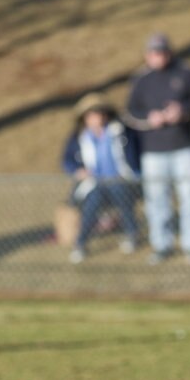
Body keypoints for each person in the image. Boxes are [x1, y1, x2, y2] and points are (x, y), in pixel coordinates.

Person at [126, 33, 190, 266]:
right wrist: (149, 117)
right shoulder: (142, 80)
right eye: (153, 52)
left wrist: (183, 110)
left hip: (184, 147)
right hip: (153, 151)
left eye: (162, 51)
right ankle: (161, 245)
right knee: (156, 200)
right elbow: (131, 112)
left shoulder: (185, 73)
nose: (158, 56)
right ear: (147, 55)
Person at [60, 93, 141, 264]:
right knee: (92, 203)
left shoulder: (120, 132)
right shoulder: (79, 138)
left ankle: (131, 234)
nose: (96, 118)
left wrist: (132, 172)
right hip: (93, 183)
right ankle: (80, 243)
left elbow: (133, 156)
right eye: (91, 115)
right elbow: (67, 160)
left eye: (99, 113)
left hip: (119, 180)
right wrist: (78, 170)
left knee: (122, 196)